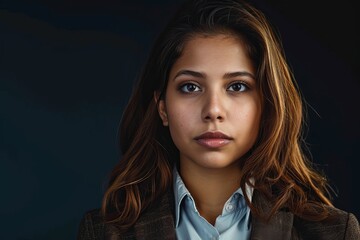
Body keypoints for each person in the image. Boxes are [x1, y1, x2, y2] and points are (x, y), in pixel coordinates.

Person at [77, 0, 360, 239]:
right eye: (190, 87)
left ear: (267, 105)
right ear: (162, 108)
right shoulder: (105, 232)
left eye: (237, 86)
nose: (213, 110)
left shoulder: (334, 232)